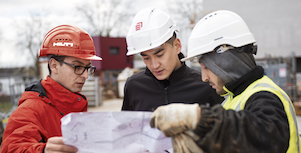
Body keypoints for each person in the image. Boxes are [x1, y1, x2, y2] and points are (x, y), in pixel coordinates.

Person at [150, 10, 301, 153]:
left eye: (206, 67)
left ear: (226, 60)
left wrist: (198, 117)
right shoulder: (233, 98)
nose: (204, 77)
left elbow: (264, 137)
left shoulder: (265, 96)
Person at [1, 25, 102, 153]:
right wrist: (44, 151)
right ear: (54, 66)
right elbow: (12, 148)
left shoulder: (74, 104)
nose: (86, 75)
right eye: (77, 66)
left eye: (88, 68)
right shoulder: (31, 109)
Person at [122, 8, 223, 112]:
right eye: (146, 58)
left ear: (177, 46)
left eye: (160, 55)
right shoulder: (134, 86)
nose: (154, 65)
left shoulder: (206, 85)